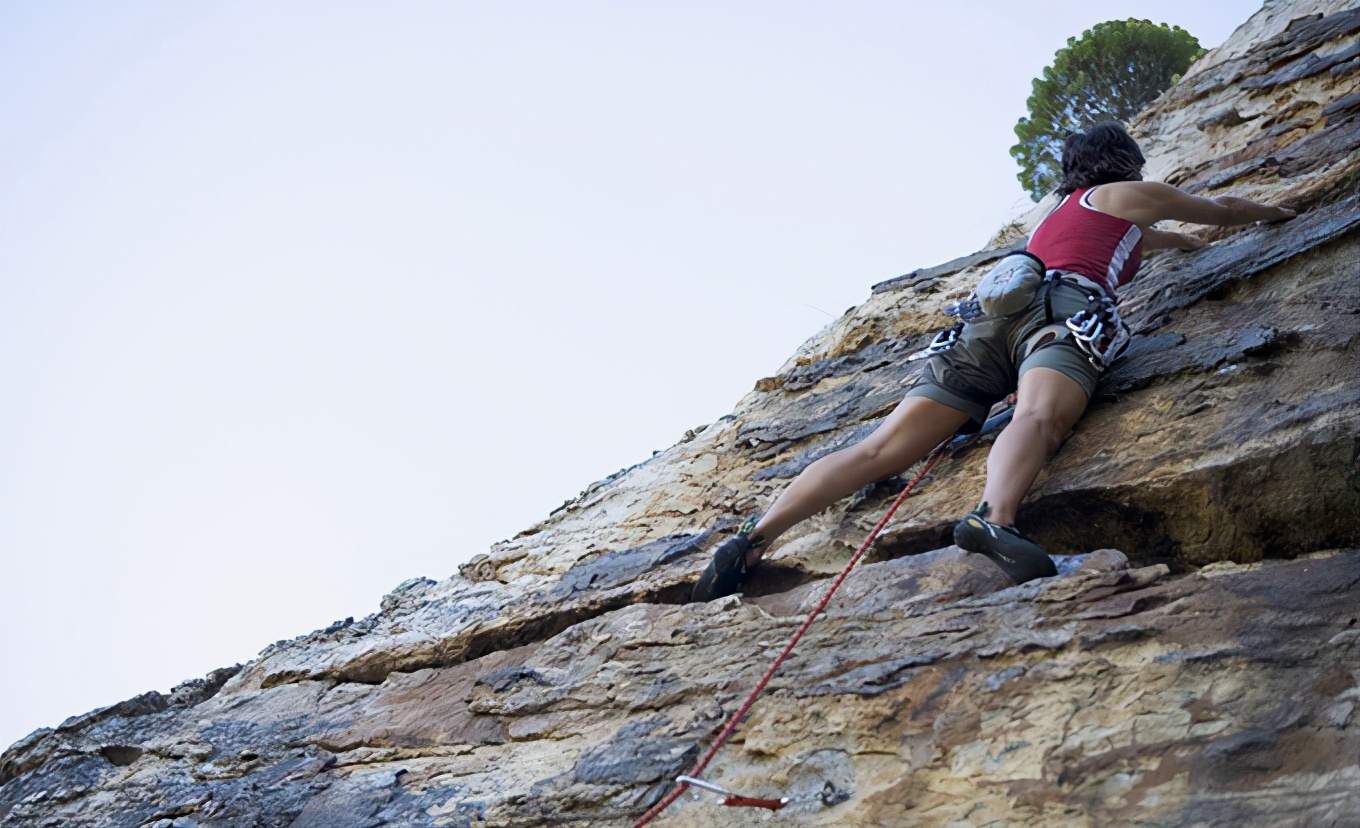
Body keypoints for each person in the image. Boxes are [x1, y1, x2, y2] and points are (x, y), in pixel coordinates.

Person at [693, 122, 1295, 602]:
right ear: (1127, 160)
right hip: (1062, 311)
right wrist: (1278, 214)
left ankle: (753, 539)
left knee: (879, 449)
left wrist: (1179, 243)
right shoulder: (1133, 195)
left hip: (985, 320)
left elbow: (1143, 239)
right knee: (1036, 416)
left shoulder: (1054, 216)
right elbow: (1221, 209)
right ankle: (995, 518)